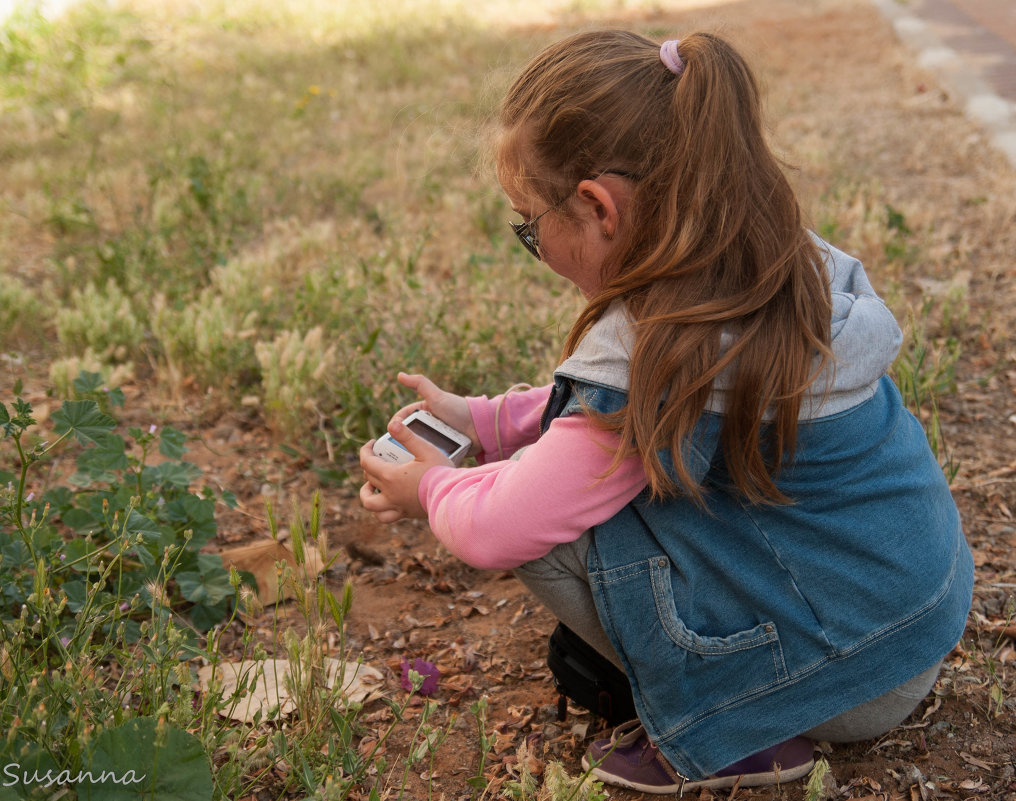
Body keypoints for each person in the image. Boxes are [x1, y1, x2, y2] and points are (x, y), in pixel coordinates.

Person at [359, 29, 973, 793]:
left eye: (527, 224)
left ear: (597, 207)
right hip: (908, 624)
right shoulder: (777, 262)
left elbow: (500, 526)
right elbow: (595, 421)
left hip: (844, 682)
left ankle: (730, 730)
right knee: (585, 483)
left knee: (553, 523)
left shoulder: (660, 355)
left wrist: (428, 491)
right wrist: (487, 420)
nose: (530, 240)